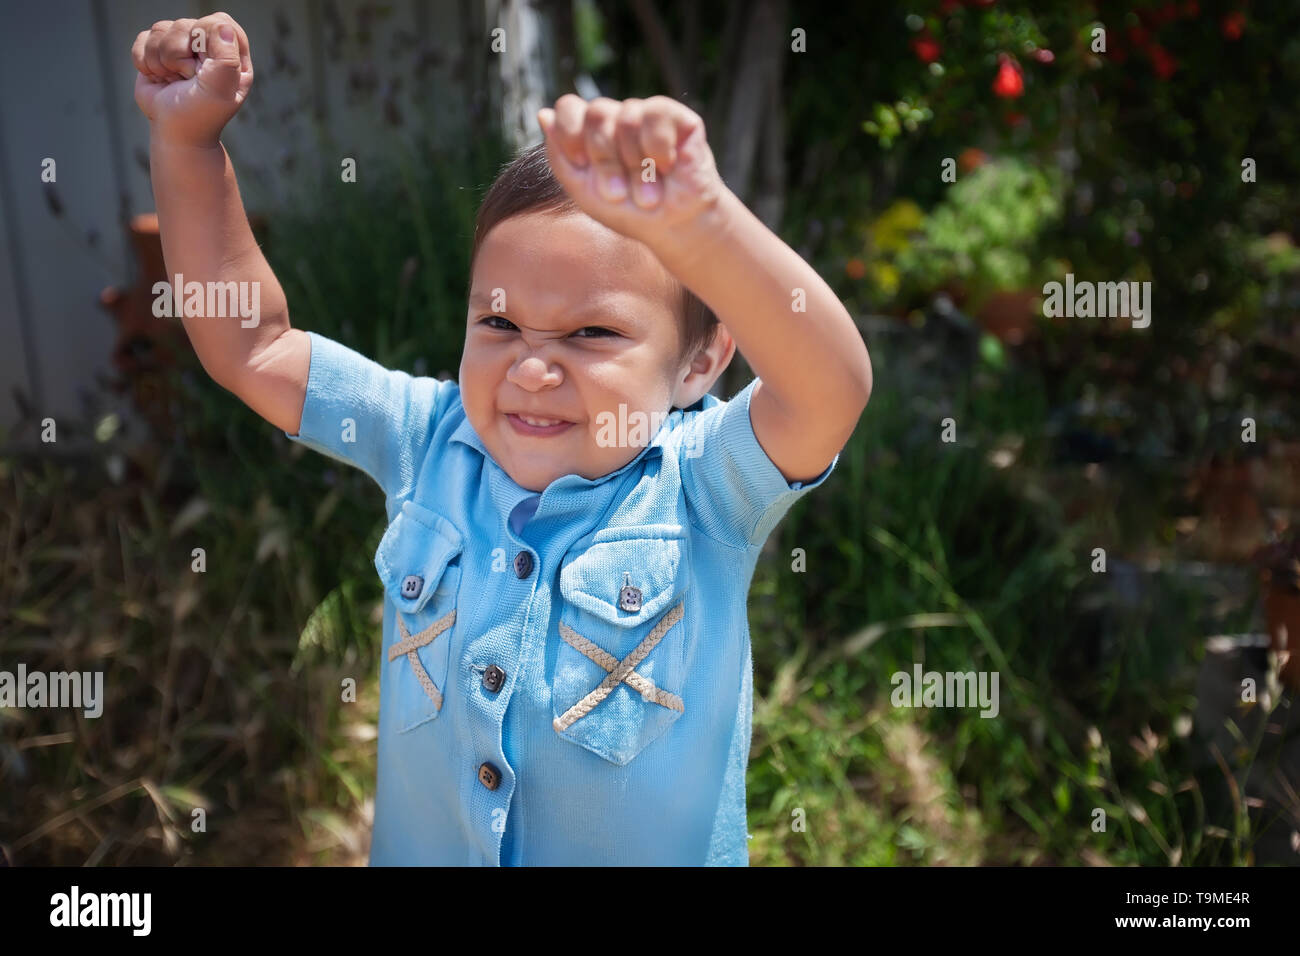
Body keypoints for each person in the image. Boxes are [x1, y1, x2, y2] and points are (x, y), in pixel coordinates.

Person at [133, 11, 873, 865]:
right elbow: (251, 344)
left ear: (701, 362)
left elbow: (831, 391)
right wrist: (188, 147)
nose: (530, 368)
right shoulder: (428, 440)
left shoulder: (706, 488)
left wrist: (702, 228)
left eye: (592, 335)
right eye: (500, 322)